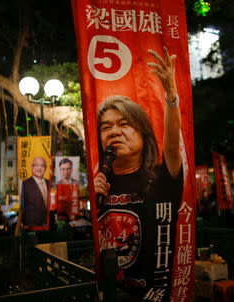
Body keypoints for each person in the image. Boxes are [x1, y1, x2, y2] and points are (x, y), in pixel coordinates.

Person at [93, 47, 183, 300]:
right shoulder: (100, 181)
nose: (114, 132)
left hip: (152, 294)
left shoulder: (161, 177)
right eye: (106, 127)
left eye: (124, 124)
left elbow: (173, 146)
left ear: (143, 134)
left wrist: (171, 94)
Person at [21, 157, 49, 226]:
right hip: (32, 226)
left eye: (42, 166)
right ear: (31, 167)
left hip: (49, 227)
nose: (39, 168)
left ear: (45, 168)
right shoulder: (24, 185)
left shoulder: (49, 183)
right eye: (36, 165)